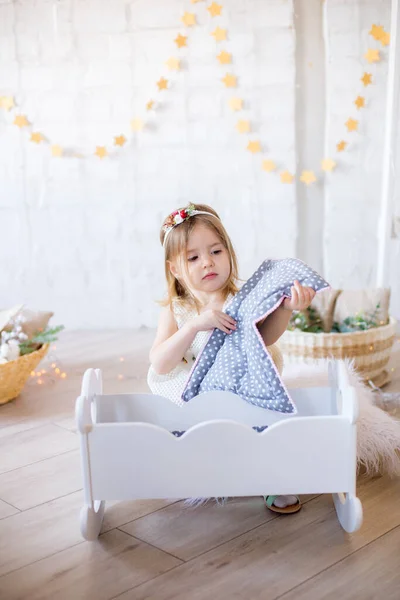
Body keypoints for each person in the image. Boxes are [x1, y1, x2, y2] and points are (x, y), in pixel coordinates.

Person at [148, 203, 316, 514]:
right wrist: (195, 325)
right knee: (191, 428)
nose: (207, 263)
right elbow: (160, 362)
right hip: (198, 391)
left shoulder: (240, 300)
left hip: (241, 384)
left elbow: (264, 338)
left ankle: (270, 478)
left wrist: (286, 309)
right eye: (193, 257)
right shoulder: (175, 308)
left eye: (216, 252)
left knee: (263, 426)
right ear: (175, 269)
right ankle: (202, 466)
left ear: (229, 253)